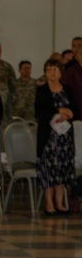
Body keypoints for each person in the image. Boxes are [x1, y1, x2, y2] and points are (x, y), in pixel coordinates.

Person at [35, 58, 77, 215]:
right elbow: (39, 112)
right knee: (49, 170)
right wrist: (57, 112)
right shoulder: (42, 90)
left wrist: (70, 113)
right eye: (48, 69)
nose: (52, 73)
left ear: (61, 72)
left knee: (62, 169)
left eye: (55, 69)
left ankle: (60, 203)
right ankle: (49, 204)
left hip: (65, 138)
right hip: (49, 138)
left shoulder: (67, 89)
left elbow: (75, 108)